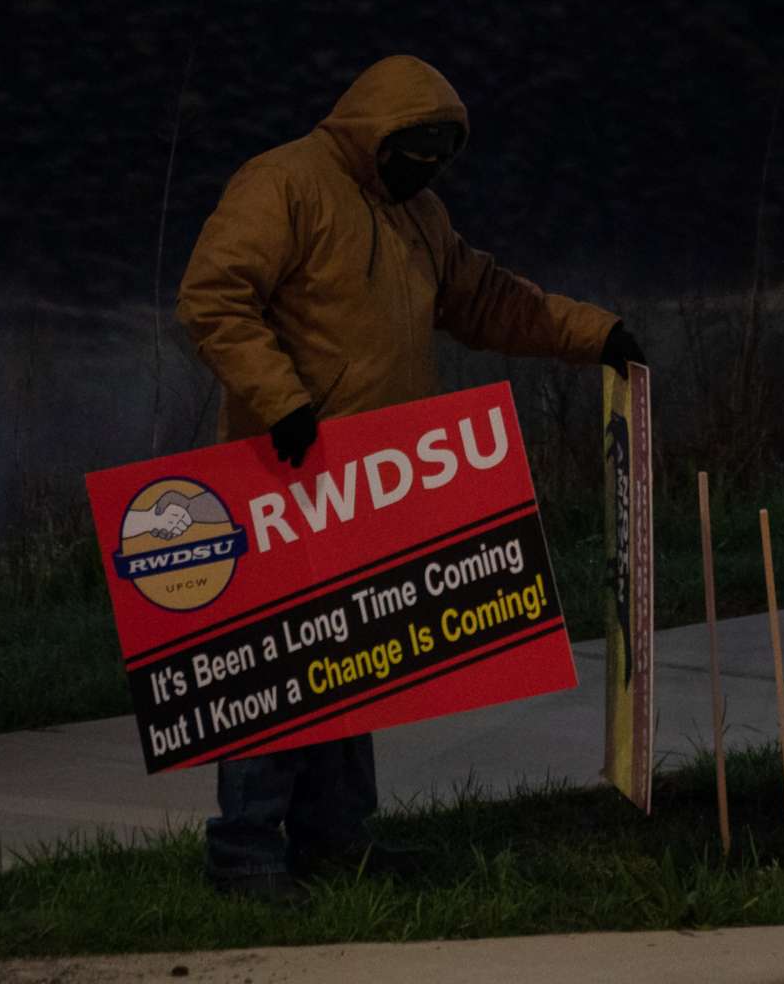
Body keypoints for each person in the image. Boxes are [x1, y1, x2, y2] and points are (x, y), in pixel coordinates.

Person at [175, 53, 644, 901]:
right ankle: (243, 855)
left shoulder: (419, 216)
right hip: (284, 471)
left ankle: (335, 839)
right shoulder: (284, 182)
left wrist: (597, 334)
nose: (426, 166)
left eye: (440, 153)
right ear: (372, 130)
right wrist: (281, 402)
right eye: (414, 148)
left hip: (375, 477)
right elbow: (213, 296)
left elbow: (488, 299)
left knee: (348, 666)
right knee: (274, 672)